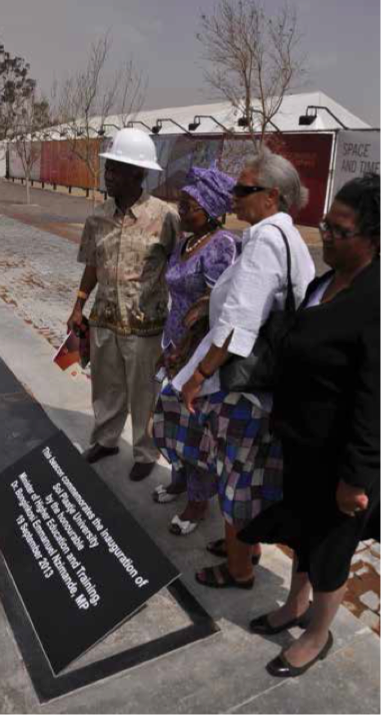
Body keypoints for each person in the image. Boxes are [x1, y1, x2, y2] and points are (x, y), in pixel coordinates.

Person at [240, 173, 380, 678]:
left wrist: (357, 478)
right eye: (325, 224)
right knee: (302, 530)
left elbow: (374, 399)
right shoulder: (327, 281)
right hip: (302, 442)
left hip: (341, 458)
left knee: (331, 548)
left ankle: (318, 633)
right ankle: (294, 607)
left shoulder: (374, 300)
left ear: (373, 239)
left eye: (340, 231)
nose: (326, 236)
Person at [168, 147, 315, 586]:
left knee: (237, 475)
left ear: (271, 197)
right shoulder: (282, 237)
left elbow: (237, 323)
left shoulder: (268, 241)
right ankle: (243, 546)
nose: (234, 195)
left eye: (243, 189)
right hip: (263, 380)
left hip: (245, 385)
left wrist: (197, 376)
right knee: (243, 470)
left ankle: (237, 569)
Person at [67, 128, 180, 481]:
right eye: (108, 167)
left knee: (144, 391)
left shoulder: (165, 217)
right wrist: (78, 305)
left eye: (115, 168)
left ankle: (145, 451)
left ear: (138, 173)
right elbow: (92, 264)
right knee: (105, 384)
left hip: (145, 324)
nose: (108, 175)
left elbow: (181, 266)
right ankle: (106, 439)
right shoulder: (98, 217)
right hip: (104, 319)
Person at [153, 164, 240, 535]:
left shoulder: (222, 247)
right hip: (173, 343)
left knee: (195, 428)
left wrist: (186, 353)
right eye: (182, 203)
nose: (181, 211)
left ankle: (198, 501)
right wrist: (167, 347)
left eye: (189, 205)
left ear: (212, 209)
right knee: (171, 418)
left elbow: (213, 307)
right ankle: (179, 478)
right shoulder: (187, 242)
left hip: (196, 352)